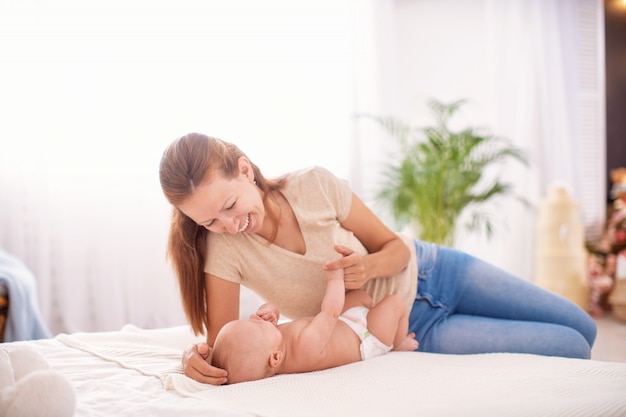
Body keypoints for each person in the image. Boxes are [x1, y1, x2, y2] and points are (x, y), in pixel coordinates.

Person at [158, 133, 597, 386]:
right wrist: (191, 362)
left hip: (434, 269)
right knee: (572, 346)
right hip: (409, 327)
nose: (230, 225)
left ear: (245, 171)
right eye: (210, 221)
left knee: (587, 325)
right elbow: (227, 348)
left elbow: (395, 247)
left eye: (231, 205)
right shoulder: (224, 251)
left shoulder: (315, 185)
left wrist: (365, 269)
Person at [211, 267, 418, 384]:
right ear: (275, 358)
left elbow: (273, 312)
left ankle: (376, 318)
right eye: (257, 326)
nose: (256, 319)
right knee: (395, 303)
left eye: (251, 320)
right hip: (367, 337)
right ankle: (397, 343)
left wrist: (270, 311)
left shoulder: (273, 344)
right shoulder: (305, 349)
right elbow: (330, 311)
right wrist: (335, 279)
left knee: (361, 296)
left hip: (344, 324)